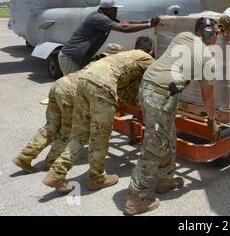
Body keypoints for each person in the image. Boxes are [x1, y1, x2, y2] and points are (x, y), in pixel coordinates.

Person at [123, 17, 220, 216]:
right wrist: (211, 120)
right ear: (208, 32)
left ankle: (166, 179)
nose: (218, 36)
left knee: (167, 134)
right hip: (160, 94)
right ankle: (135, 197)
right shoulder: (207, 58)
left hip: (149, 87)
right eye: (217, 32)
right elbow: (207, 94)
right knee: (155, 143)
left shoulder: (183, 36)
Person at [43, 37, 155, 193]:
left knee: (79, 133)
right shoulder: (147, 58)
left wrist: (137, 106)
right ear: (151, 51)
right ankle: (97, 178)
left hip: (83, 82)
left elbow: (122, 91)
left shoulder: (125, 57)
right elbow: (153, 82)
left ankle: (56, 173)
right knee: (100, 136)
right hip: (101, 86)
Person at [12, 44, 125, 174]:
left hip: (60, 84)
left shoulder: (96, 60)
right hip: (71, 92)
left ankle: (25, 156)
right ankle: (51, 162)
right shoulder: (112, 66)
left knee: (51, 126)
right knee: (68, 130)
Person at [58, 0, 159, 75]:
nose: (117, 11)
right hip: (70, 57)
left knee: (79, 89)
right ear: (108, 9)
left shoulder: (106, 17)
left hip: (77, 57)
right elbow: (124, 28)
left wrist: (149, 21)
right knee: (73, 89)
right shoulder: (98, 18)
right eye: (115, 9)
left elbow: (126, 23)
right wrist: (150, 25)